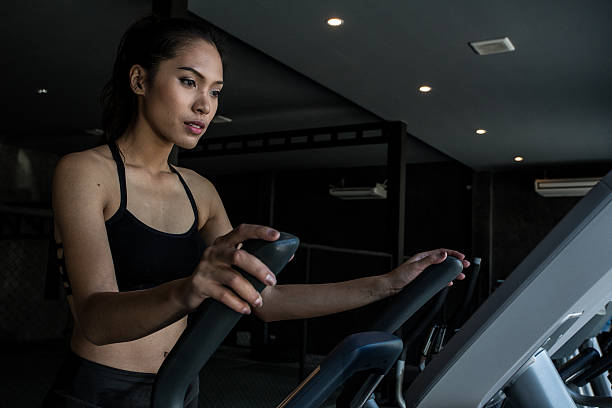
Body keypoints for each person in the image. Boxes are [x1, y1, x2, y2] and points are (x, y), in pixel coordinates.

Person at [43, 15, 468, 408]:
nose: (204, 105)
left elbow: (265, 300)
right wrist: (190, 289)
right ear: (139, 79)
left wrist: (389, 283)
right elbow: (96, 319)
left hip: (179, 388)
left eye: (214, 91)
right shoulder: (85, 172)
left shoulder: (200, 192)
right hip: (99, 390)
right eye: (189, 82)